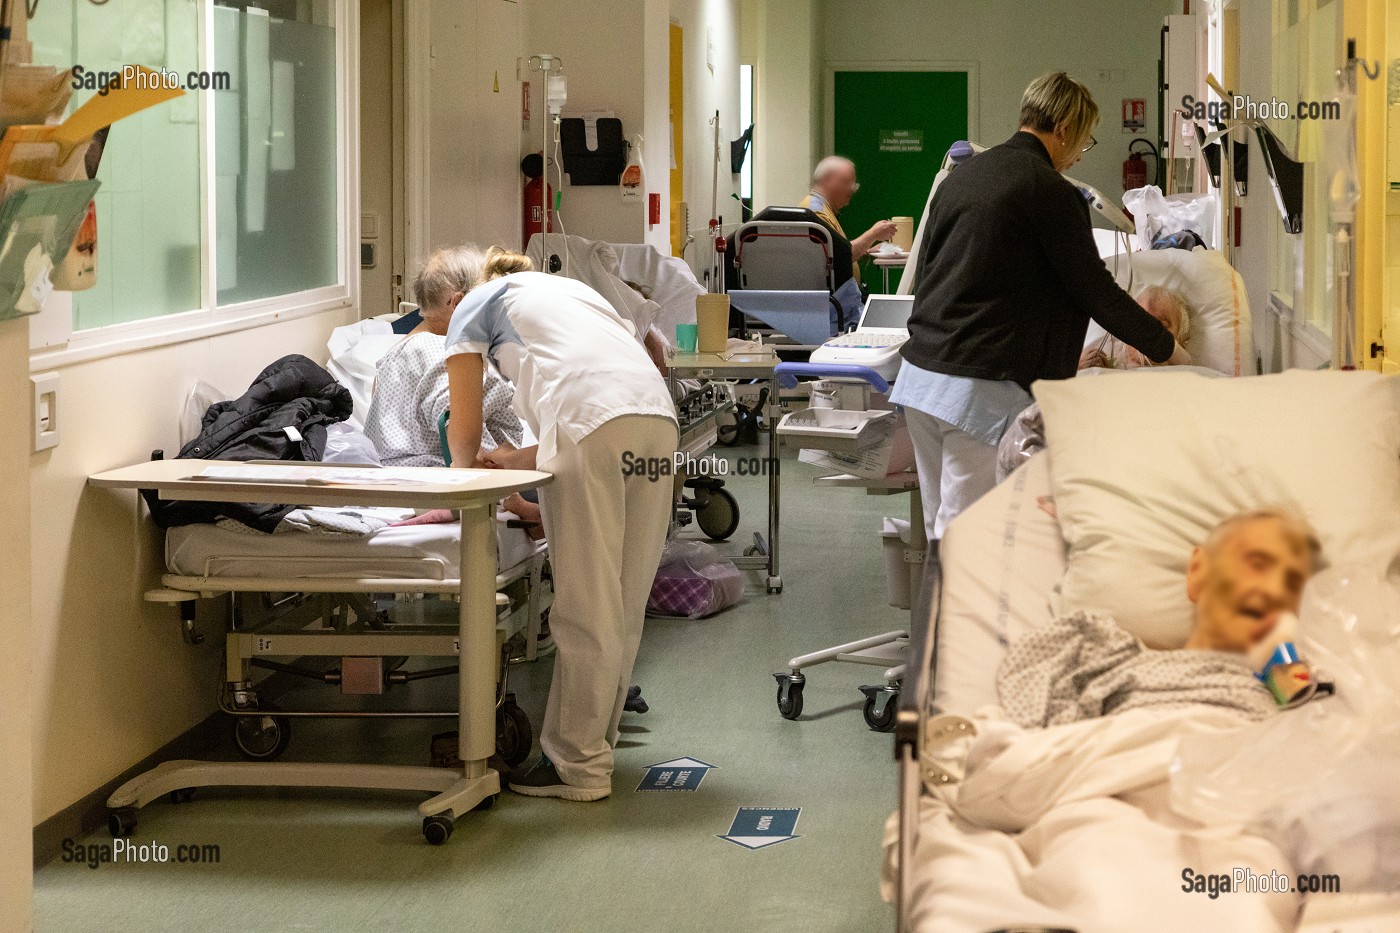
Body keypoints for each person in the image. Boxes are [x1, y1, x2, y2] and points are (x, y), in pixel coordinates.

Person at [894, 72, 1191, 546]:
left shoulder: (960, 178)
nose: (1078, 155)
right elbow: (1095, 290)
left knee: (940, 535)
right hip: (976, 390)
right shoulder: (1049, 191)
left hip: (922, 383)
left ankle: (937, 620)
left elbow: (928, 271)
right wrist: (1167, 348)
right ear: (1067, 129)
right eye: (1084, 142)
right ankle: (953, 622)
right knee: (969, 544)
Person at [443, 247, 678, 802]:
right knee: (623, 598)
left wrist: (459, 483)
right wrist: (520, 458)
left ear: (458, 295)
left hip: (592, 427)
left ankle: (576, 765)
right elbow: (601, 405)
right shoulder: (574, 294)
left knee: (586, 602)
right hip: (656, 427)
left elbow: (464, 425)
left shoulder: (471, 305)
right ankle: (597, 740)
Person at [998, 509, 1318, 728]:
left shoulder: (1288, 687)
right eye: (1257, 564)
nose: (1272, 590)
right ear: (1199, 571)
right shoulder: (1106, 657)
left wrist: (1284, 662)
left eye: (1291, 584)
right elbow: (1036, 730)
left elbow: (1317, 741)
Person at [364, 246, 541, 532]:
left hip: (391, 483)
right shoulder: (444, 355)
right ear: (459, 305)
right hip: (440, 483)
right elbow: (460, 437)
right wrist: (516, 503)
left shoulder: (391, 357)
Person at [801, 155, 899, 281]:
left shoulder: (822, 209)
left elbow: (834, 251)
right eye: (846, 182)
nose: (852, 189)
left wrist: (866, 250)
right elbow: (836, 259)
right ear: (826, 180)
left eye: (854, 184)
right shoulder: (816, 212)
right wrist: (873, 234)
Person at [1079, 285, 1194, 370]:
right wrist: (1079, 371)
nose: (1147, 332)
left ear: (1182, 343)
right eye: (1140, 323)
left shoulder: (1193, 381)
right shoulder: (1099, 373)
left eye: (1161, 326)